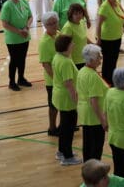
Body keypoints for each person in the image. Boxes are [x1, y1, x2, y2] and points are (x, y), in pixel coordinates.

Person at [52, 34, 81, 166]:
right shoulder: (66, 62)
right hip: (66, 98)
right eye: (71, 43)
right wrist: (75, 99)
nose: (73, 45)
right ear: (66, 46)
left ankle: (61, 151)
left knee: (64, 126)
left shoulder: (58, 57)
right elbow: (68, 83)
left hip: (59, 96)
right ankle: (67, 157)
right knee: (68, 128)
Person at [77, 44, 108, 162]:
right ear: (90, 60)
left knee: (88, 145)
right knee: (96, 147)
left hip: (85, 113)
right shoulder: (92, 76)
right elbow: (94, 101)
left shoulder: (82, 71)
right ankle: (95, 169)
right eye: (98, 57)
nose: (101, 59)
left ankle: (88, 168)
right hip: (94, 116)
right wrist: (103, 120)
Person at [0, 0, 32, 91]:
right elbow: (5, 24)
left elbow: (30, 16)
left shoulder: (24, 2)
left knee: (22, 59)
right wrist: (19, 31)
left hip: (25, 36)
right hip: (13, 38)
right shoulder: (7, 6)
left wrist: (26, 28)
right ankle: (12, 82)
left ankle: (21, 79)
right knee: (14, 60)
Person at [96, 0, 124, 85]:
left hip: (117, 37)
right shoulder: (104, 7)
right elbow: (98, 24)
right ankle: (106, 82)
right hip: (107, 39)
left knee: (113, 61)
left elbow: (123, 16)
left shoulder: (117, 3)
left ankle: (111, 80)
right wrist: (99, 39)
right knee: (108, 62)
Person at [38, 11, 60, 135]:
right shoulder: (44, 42)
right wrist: (56, 79)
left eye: (55, 22)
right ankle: (52, 128)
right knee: (53, 105)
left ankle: (65, 124)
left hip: (62, 77)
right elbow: (46, 65)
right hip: (53, 80)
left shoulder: (59, 35)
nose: (53, 25)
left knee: (62, 103)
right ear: (45, 26)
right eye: (50, 24)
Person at [62, 3, 91, 69]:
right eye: (75, 14)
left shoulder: (82, 22)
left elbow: (83, 37)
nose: (79, 16)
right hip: (74, 61)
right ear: (71, 15)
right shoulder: (68, 28)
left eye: (80, 13)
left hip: (84, 58)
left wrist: (94, 44)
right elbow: (65, 47)